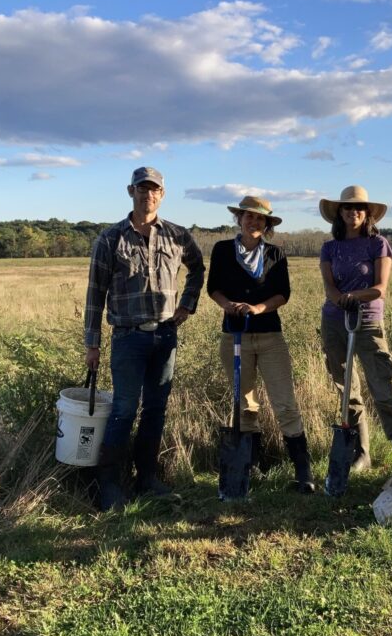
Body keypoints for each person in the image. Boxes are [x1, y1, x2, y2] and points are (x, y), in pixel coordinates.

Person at [84, 166, 205, 512]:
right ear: (130, 191)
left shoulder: (178, 236)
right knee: (123, 409)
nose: (147, 195)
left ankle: (146, 480)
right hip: (127, 339)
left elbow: (198, 268)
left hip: (165, 336)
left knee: (156, 410)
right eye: (141, 189)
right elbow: (95, 292)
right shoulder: (110, 239)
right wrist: (92, 344)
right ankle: (108, 487)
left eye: (154, 190)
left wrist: (187, 305)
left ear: (162, 195)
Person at [206, 196, 314, 493]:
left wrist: (257, 309)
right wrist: (228, 305)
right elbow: (213, 287)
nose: (254, 222)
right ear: (239, 219)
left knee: (285, 404)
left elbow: (283, 294)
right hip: (234, 335)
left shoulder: (276, 254)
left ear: (267, 224)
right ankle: (249, 467)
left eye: (260, 219)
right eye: (249, 216)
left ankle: (303, 471)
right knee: (244, 404)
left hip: (269, 336)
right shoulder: (222, 250)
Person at [319, 185, 392, 469]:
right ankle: (361, 453)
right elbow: (330, 290)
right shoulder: (329, 248)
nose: (353, 212)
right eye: (348, 208)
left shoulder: (378, 244)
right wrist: (340, 299)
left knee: (383, 389)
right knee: (347, 390)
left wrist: (354, 297)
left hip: (368, 322)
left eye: (359, 208)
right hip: (335, 322)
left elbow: (379, 289)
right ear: (340, 213)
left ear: (368, 213)